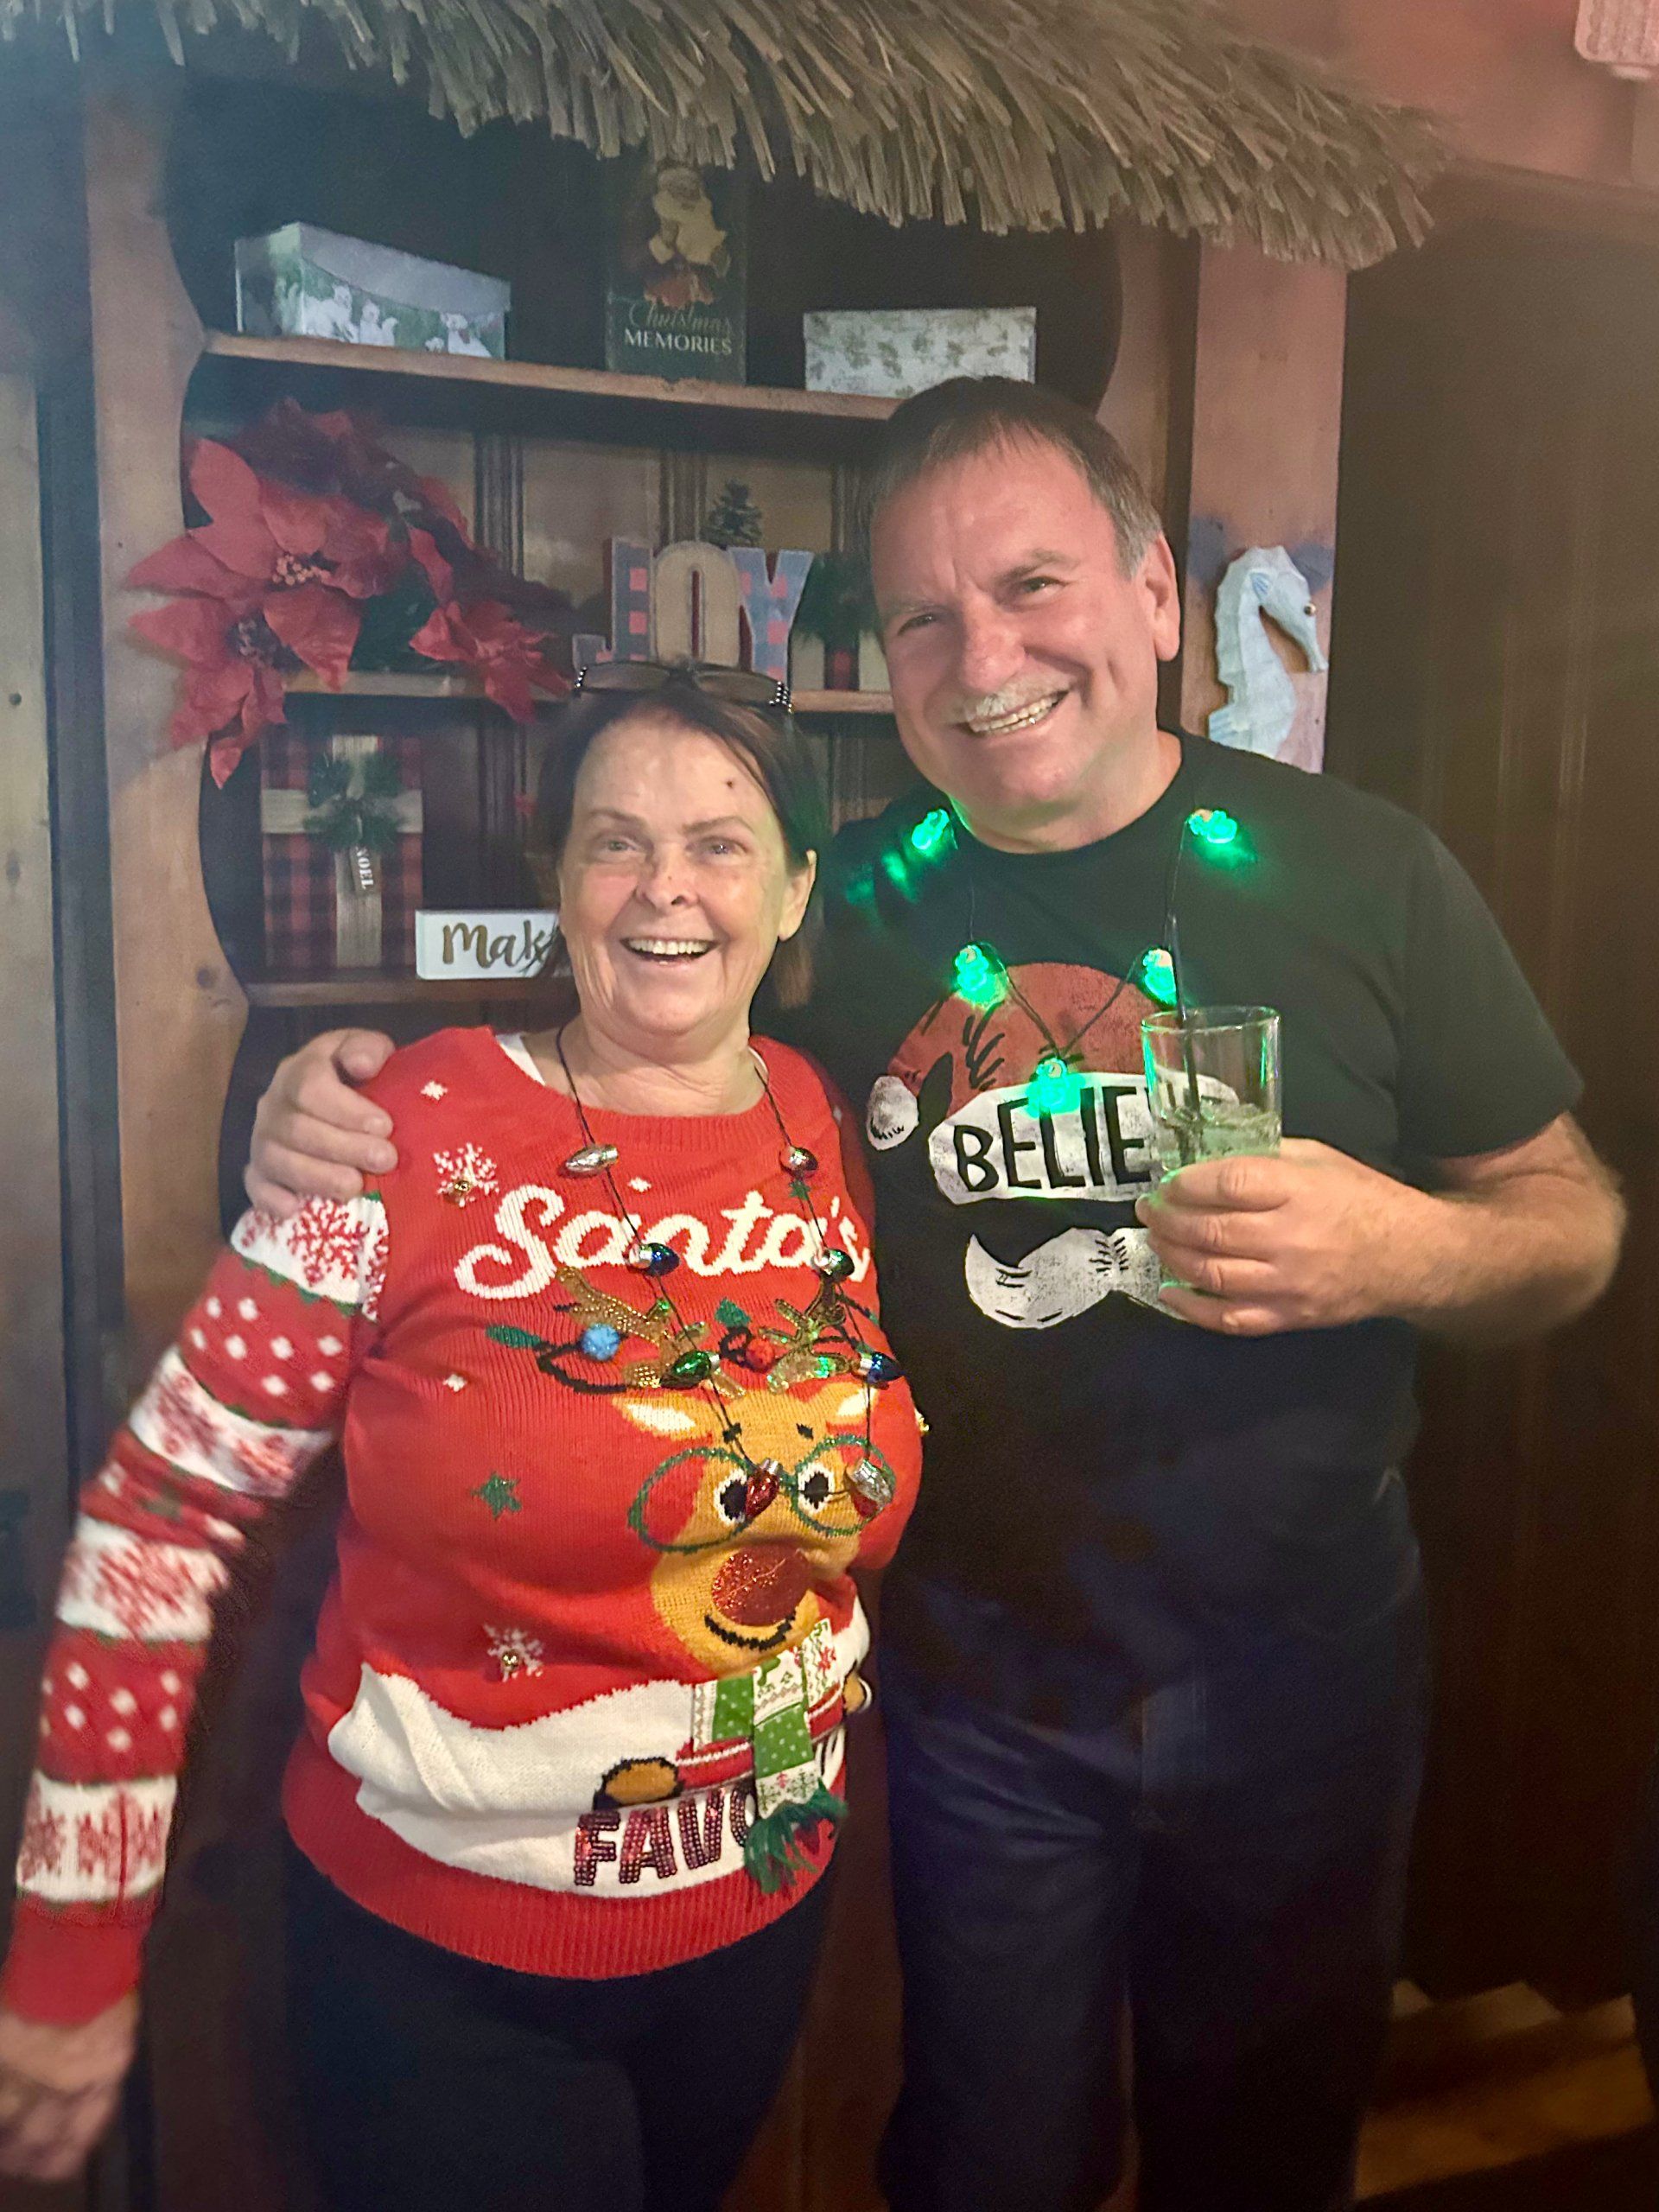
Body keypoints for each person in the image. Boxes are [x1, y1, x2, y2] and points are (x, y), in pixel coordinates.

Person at [233, 378, 1625, 2212]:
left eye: (1035, 586)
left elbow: (1573, 1218)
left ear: (1152, 593)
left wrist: (1411, 1244)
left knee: (1268, 2150)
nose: (987, 657)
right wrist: (340, 1094)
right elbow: (634, 1012)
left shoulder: (1365, 871)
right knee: (987, 2163)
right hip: (985, 1690)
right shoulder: (847, 901)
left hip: (1308, 1671)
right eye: (925, 618)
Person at [0, 670, 923, 2208]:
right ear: (555, 880)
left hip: (759, 1915)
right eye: (615, 843)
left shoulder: (820, 1120)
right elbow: (157, 1521)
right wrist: (74, 1945)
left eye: (722, 842)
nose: (667, 889)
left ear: (797, 886)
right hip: (443, 1970)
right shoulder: (399, 1131)